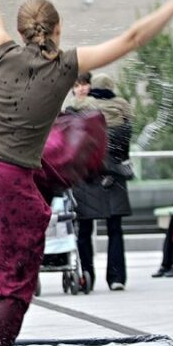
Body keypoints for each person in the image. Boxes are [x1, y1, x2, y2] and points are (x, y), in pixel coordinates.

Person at [0, 0, 173, 346]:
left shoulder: (2, 51)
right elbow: (136, 36)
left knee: (31, 187)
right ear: (57, 29)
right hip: (4, 175)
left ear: (22, 31)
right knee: (17, 275)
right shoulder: (67, 66)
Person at [70, 73, 134, 291]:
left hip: (87, 176)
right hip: (114, 176)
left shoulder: (79, 110)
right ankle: (116, 277)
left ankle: (86, 274)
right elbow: (124, 145)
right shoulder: (123, 111)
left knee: (84, 228)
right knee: (115, 228)